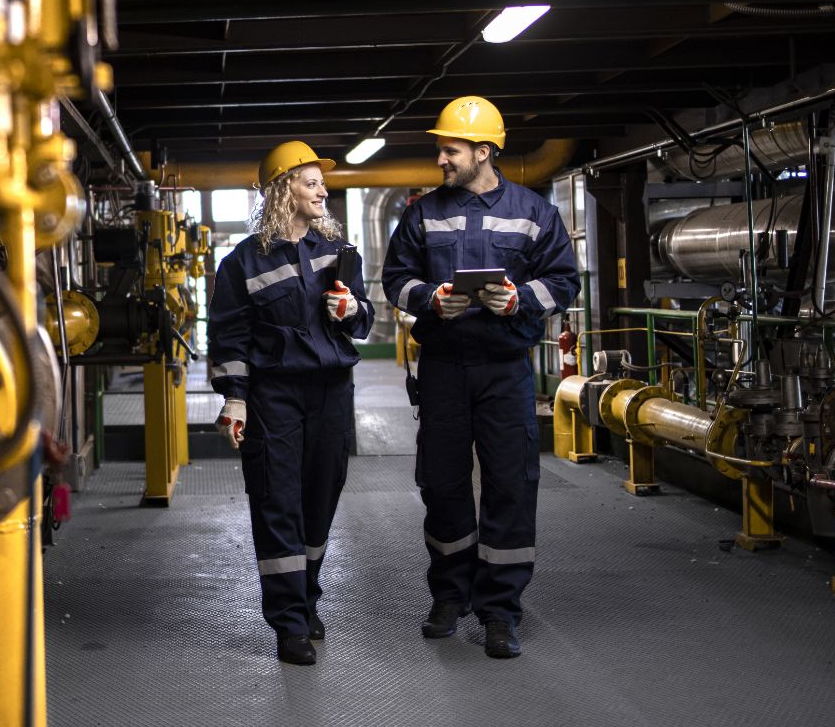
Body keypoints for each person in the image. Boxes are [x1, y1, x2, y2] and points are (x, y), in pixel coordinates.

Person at [381, 96, 580, 658]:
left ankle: (501, 610)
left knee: (510, 486)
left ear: (484, 151)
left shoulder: (533, 210)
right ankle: (450, 596)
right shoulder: (422, 212)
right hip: (443, 368)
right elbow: (395, 278)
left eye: (452, 149)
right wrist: (427, 300)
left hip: (504, 371)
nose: (442, 158)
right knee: (441, 483)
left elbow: (564, 281)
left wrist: (518, 299)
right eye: (441, 149)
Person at [207, 140, 373, 665]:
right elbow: (229, 337)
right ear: (283, 191)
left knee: (320, 499)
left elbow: (363, 320)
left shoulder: (339, 254)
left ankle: (307, 596)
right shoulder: (242, 263)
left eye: (321, 182)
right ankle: (289, 624)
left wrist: (351, 308)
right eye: (310, 181)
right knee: (278, 501)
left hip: (330, 391)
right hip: (273, 394)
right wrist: (235, 400)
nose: (323, 190)